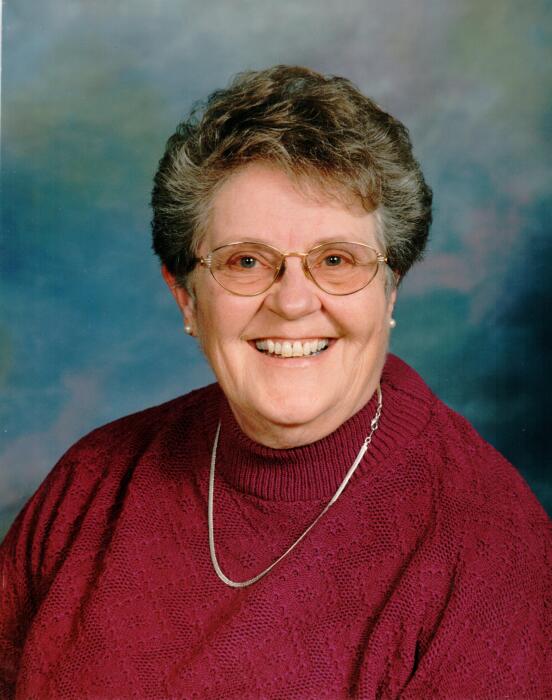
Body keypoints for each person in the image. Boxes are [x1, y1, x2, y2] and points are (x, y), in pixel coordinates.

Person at [1, 65, 550, 699]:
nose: (292, 302)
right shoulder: (92, 485)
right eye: (246, 261)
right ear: (186, 298)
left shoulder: (488, 552)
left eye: (336, 260)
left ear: (390, 289)